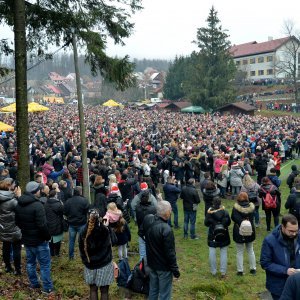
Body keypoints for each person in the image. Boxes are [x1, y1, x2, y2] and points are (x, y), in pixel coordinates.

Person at [15, 181, 54, 294]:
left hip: (27, 240)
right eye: (39, 189)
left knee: (30, 263)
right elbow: (42, 225)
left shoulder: (19, 204)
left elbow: (17, 222)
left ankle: (34, 284)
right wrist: (47, 237)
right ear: (36, 191)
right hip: (40, 241)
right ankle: (47, 288)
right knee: (45, 265)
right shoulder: (38, 205)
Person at [139, 200, 180, 300]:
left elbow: (140, 233)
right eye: (170, 210)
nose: (171, 212)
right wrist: (175, 269)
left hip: (151, 263)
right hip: (163, 267)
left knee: (153, 290)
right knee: (164, 294)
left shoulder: (147, 219)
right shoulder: (166, 229)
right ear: (166, 213)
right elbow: (170, 253)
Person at [260, 214, 300, 300]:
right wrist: (285, 271)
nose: (294, 233)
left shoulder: (298, 236)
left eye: (296, 230)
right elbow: (265, 263)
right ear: (283, 227)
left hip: (297, 283)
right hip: (279, 286)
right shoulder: (270, 241)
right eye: (291, 231)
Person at [79, 209, 114, 300]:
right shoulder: (104, 230)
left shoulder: (82, 231)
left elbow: (81, 249)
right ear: (99, 218)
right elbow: (113, 242)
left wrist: (85, 260)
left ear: (87, 217)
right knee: (104, 291)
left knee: (93, 289)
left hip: (90, 264)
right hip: (104, 264)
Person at [204, 197, 231, 278]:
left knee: (212, 252)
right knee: (223, 253)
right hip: (224, 234)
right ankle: (223, 272)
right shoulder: (225, 212)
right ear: (220, 203)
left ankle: (213, 271)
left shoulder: (209, 213)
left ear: (213, 203)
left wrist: (213, 223)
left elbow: (206, 223)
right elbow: (228, 222)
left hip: (213, 234)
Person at [231, 192, 256, 276]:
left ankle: (240, 270)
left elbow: (233, 218)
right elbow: (253, 217)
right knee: (250, 250)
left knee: (239, 252)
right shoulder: (252, 207)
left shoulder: (235, 208)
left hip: (239, 230)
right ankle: (253, 269)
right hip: (250, 230)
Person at [0, 178, 22, 275]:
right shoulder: (12, 200)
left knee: (6, 247)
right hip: (14, 228)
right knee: (17, 249)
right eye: (14, 184)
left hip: (3, 227)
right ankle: (17, 270)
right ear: (9, 185)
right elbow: (21, 210)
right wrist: (19, 197)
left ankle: (8, 267)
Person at [64, 186, 90, 260]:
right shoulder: (84, 200)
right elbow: (87, 211)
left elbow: (65, 211)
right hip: (81, 223)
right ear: (80, 192)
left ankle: (71, 256)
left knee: (71, 241)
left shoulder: (68, 201)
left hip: (72, 223)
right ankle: (84, 256)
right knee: (82, 241)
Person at [136, 190, 157, 260]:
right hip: (150, 232)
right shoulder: (153, 209)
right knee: (152, 251)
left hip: (141, 232)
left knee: (142, 253)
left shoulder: (138, 208)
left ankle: (142, 268)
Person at [44, 189, 64, 257]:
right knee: (57, 240)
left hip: (48, 223)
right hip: (57, 223)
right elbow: (62, 213)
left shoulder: (46, 204)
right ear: (55, 195)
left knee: (50, 240)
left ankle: (51, 253)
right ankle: (57, 253)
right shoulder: (58, 204)